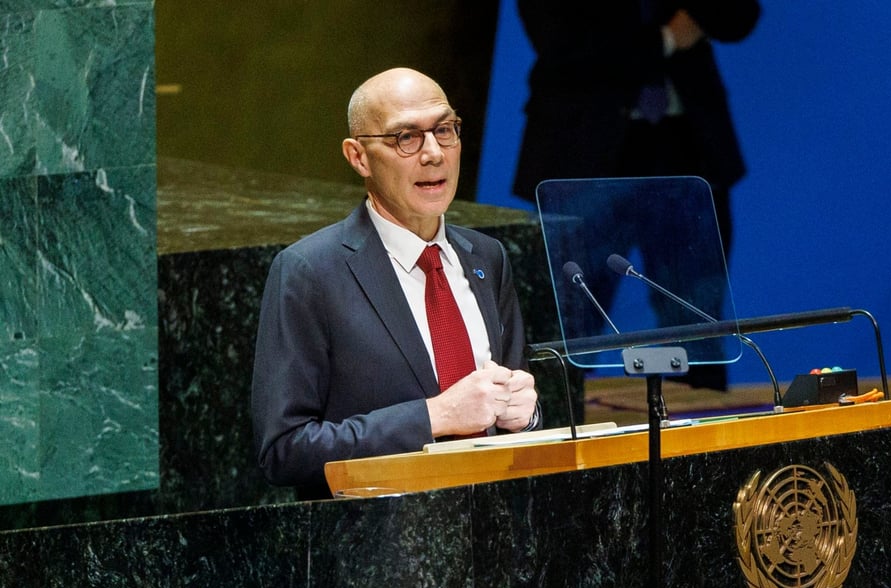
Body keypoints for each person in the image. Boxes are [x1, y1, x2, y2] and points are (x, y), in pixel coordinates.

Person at [252, 67, 540, 499]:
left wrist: (527, 416)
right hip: (376, 546)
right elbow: (284, 449)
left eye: (444, 130)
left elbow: (515, 403)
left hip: (496, 531)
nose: (433, 153)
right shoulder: (310, 272)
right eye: (405, 137)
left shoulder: (487, 258)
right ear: (358, 156)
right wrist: (433, 417)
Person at [513, 1, 761, 391]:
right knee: (569, 324)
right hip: (583, 157)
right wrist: (664, 40)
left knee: (697, 323)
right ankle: (555, 438)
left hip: (687, 150)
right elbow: (564, 45)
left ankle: (704, 448)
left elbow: (738, 16)